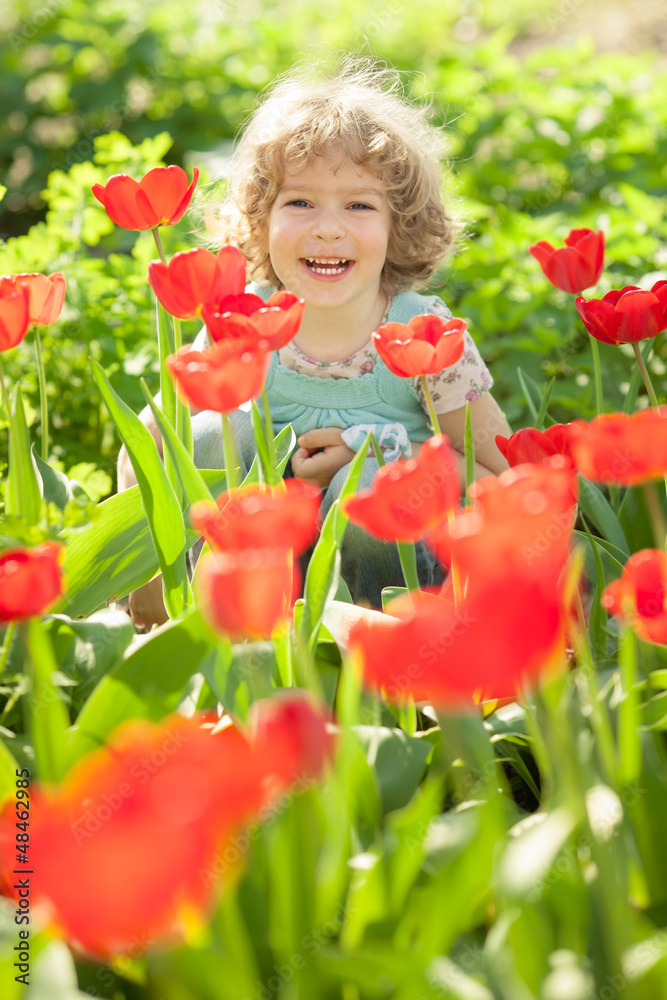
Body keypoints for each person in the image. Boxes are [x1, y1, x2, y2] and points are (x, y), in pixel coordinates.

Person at [118, 54, 511, 629]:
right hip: (269, 569)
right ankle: (211, 624)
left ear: (398, 225)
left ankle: (395, 659)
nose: (328, 227)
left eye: (359, 204)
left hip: (392, 570)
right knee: (204, 433)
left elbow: (497, 473)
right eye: (300, 202)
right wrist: (148, 574)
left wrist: (382, 458)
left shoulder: (423, 334)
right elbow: (149, 450)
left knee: (370, 488)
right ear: (261, 219)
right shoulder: (243, 320)